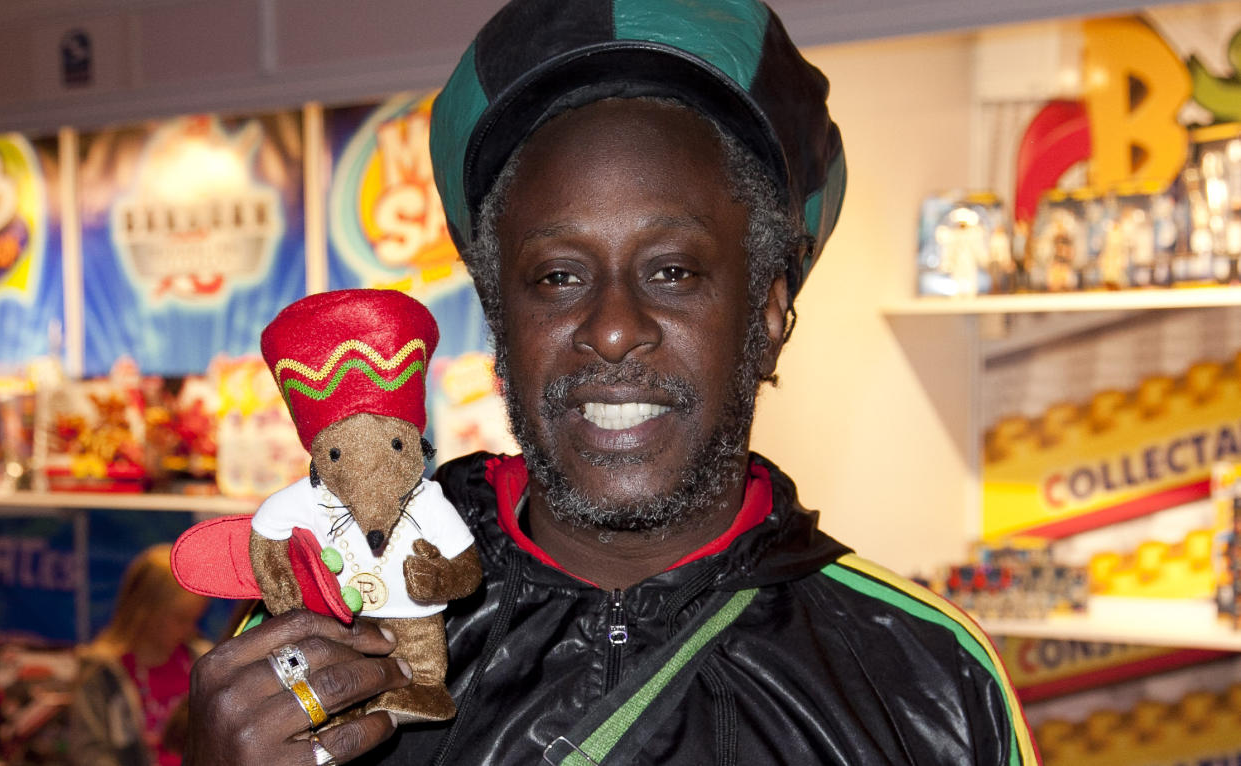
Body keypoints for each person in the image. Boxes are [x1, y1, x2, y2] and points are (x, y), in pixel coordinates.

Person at [184, 1, 1041, 764]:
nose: (613, 327)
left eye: (673, 271)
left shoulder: (926, 684)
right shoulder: (336, 633)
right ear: (499, 317)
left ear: (769, 314)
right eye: (557, 276)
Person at [69, 543, 210, 766]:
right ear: (145, 612)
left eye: (195, 619)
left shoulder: (205, 662)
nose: (189, 629)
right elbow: (89, 752)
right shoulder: (102, 673)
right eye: (181, 619)